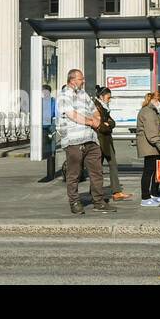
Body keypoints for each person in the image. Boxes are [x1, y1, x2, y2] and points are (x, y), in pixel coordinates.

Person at [57, 68, 114, 214]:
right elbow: (72, 115)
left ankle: (98, 201)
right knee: (74, 173)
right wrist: (91, 122)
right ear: (73, 80)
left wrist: (97, 118)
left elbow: (94, 108)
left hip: (91, 139)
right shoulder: (64, 95)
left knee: (97, 171)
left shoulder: (83, 94)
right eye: (81, 79)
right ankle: (75, 202)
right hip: (73, 140)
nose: (83, 81)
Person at [94, 87, 132, 201]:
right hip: (99, 140)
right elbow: (101, 126)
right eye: (108, 97)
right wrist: (107, 124)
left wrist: (108, 124)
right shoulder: (97, 106)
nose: (109, 100)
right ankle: (97, 192)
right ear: (101, 96)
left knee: (111, 164)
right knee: (98, 167)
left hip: (106, 140)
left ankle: (115, 191)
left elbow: (111, 122)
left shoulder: (103, 107)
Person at [135, 92, 160, 207]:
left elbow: (157, 128)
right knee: (148, 171)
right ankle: (145, 197)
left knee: (156, 172)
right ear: (156, 100)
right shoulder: (148, 112)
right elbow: (152, 134)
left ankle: (154, 194)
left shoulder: (153, 112)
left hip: (153, 146)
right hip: (150, 146)